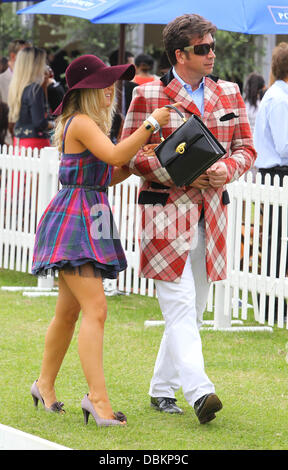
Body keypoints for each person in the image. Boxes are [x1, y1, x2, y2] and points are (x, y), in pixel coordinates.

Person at [122, 14, 256, 425]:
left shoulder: (230, 93)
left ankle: (162, 390)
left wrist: (227, 169)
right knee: (179, 308)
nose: (211, 53)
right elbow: (130, 155)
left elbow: (246, 148)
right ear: (180, 54)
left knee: (192, 310)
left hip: (211, 216)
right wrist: (177, 172)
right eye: (203, 48)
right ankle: (201, 392)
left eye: (212, 45)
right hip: (163, 214)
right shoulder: (148, 94)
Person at [30, 54, 174, 427]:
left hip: (86, 212)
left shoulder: (85, 124)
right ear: (85, 90)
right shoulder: (79, 123)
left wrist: (132, 162)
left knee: (69, 312)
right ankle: (97, 399)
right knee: (95, 310)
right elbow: (111, 155)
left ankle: (44, 385)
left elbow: (105, 174)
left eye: (113, 83)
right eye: (104, 83)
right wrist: (149, 127)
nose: (112, 89)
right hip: (76, 218)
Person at [253, 42, 288, 321]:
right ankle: (274, 307)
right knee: (279, 241)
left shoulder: (278, 95)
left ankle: (275, 306)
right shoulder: (280, 100)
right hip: (279, 172)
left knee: (278, 240)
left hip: (275, 173)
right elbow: (285, 145)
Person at [8, 46, 54, 150]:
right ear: (36, 65)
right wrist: (55, 124)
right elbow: (39, 122)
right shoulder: (34, 89)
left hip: (19, 141)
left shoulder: (17, 87)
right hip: (35, 143)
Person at [0, 39, 30, 145]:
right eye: (25, 55)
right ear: (13, 56)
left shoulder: (32, 82)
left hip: (27, 141)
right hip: (6, 142)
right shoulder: (1, 80)